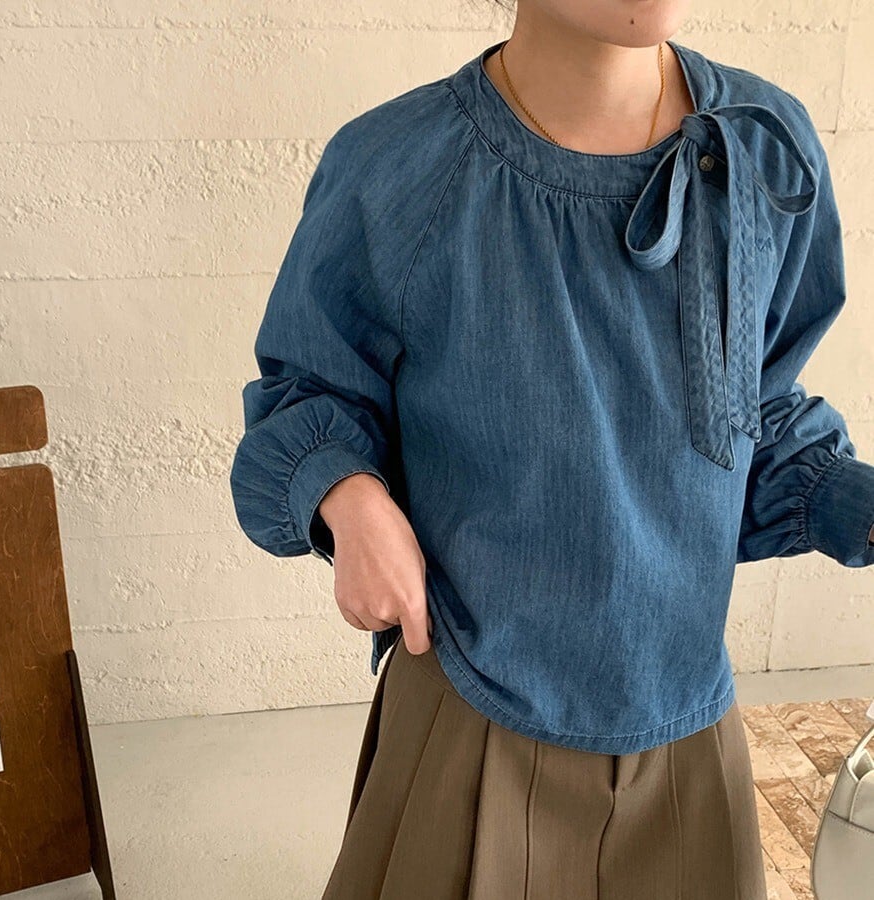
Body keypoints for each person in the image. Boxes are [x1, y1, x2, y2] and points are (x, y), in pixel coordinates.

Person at [229, 0, 874, 896]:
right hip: (468, 717)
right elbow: (307, 394)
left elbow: (749, 420)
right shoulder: (400, 167)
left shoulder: (766, 151)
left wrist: (852, 502)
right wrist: (348, 496)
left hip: (687, 725)